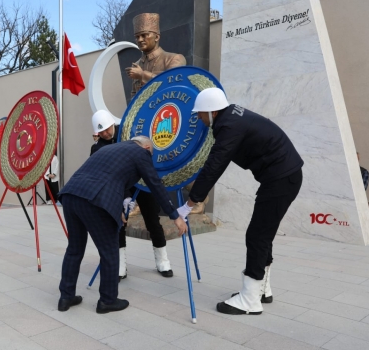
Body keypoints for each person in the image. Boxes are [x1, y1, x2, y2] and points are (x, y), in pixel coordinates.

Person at [185, 88, 303, 316]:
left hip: (281, 178)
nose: (198, 118)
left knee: (257, 236)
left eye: (200, 113)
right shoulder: (232, 116)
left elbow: (215, 164)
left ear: (212, 112)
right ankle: (261, 290)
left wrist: (192, 199)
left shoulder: (229, 126)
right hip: (283, 176)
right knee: (263, 234)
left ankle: (250, 300)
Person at [57, 136, 188, 314]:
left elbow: (108, 178)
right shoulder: (141, 153)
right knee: (109, 251)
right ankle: (107, 300)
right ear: (147, 147)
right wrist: (175, 216)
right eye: (151, 154)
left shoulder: (109, 149)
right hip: (93, 201)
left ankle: (66, 297)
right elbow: (155, 184)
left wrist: (116, 206)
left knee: (74, 249)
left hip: (70, 195)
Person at [90, 109, 175, 280]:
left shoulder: (128, 133)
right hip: (120, 189)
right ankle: (120, 267)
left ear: (112, 124)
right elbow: (106, 175)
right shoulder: (97, 148)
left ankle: (163, 261)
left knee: (153, 221)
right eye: (101, 131)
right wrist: (125, 196)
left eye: (107, 129)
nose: (105, 134)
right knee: (119, 224)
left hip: (143, 184)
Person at [125, 13, 186, 98]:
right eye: (137, 37)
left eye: (144, 35)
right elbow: (134, 96)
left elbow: (172, 85)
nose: (140, 40)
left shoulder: (174, 59)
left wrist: (142, 75)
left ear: (156, 37)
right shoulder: (137, 65)